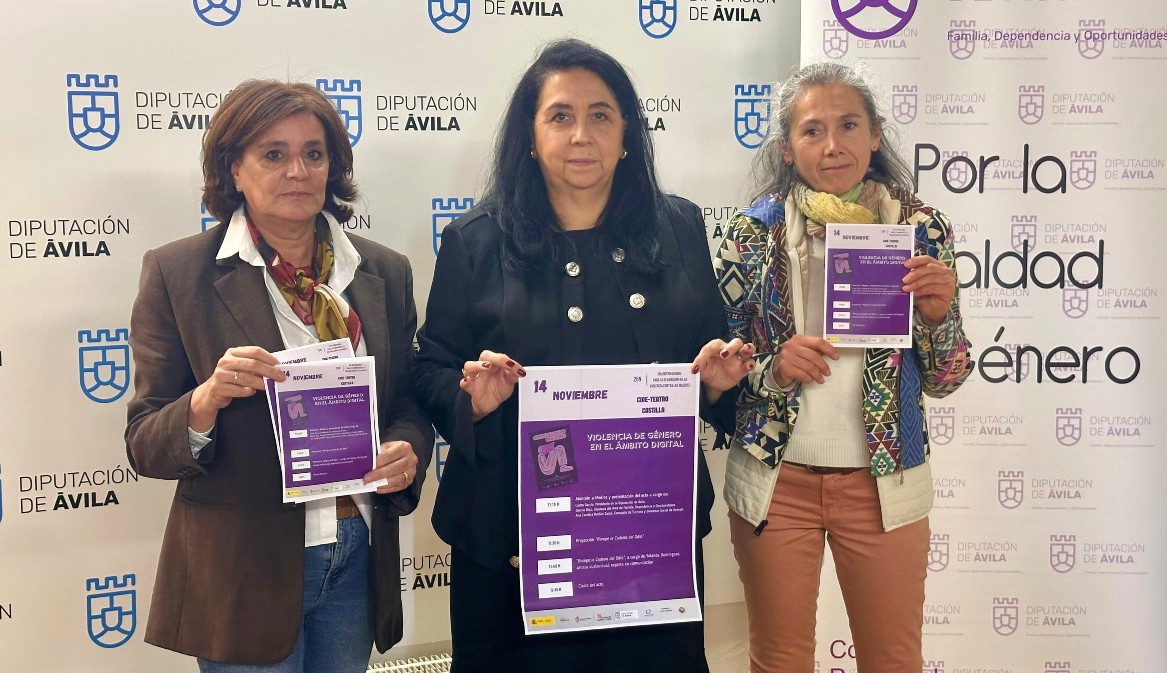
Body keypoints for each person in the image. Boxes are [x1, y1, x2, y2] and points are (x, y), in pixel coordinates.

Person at [411, 39, 753, 672]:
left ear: (626, 134)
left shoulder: (679, 229)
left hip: (645, 537)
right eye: (560, 116)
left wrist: (716, 381)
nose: (581, 134)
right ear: (530, 135)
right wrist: (471, 397)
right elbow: (429, 368)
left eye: (601, 115)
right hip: (511, 542)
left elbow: (708, 357)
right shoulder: (475, 240)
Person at [125, 79, 433, 673]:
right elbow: (144, 442)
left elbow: (408, 402)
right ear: (234, 170)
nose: (297, 171)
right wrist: (206, 400)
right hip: (245, 568)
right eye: (274, 153)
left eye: (313, 153)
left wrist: (407, 447)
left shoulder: (384, 271)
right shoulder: (178, 273)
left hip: (358, 552)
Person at [714, 62, 974, 673]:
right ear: (787, 147)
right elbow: (721, 369)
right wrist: (773, 368)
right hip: (777, 482)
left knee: (893, 661)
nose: (832, 145)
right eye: (812, 130)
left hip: (884, 483)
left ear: (876, 134)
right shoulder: (752, 233)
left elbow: (946, 378)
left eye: (849, 125)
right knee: (777, 661)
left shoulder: (920, 229)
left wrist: (938, 316)